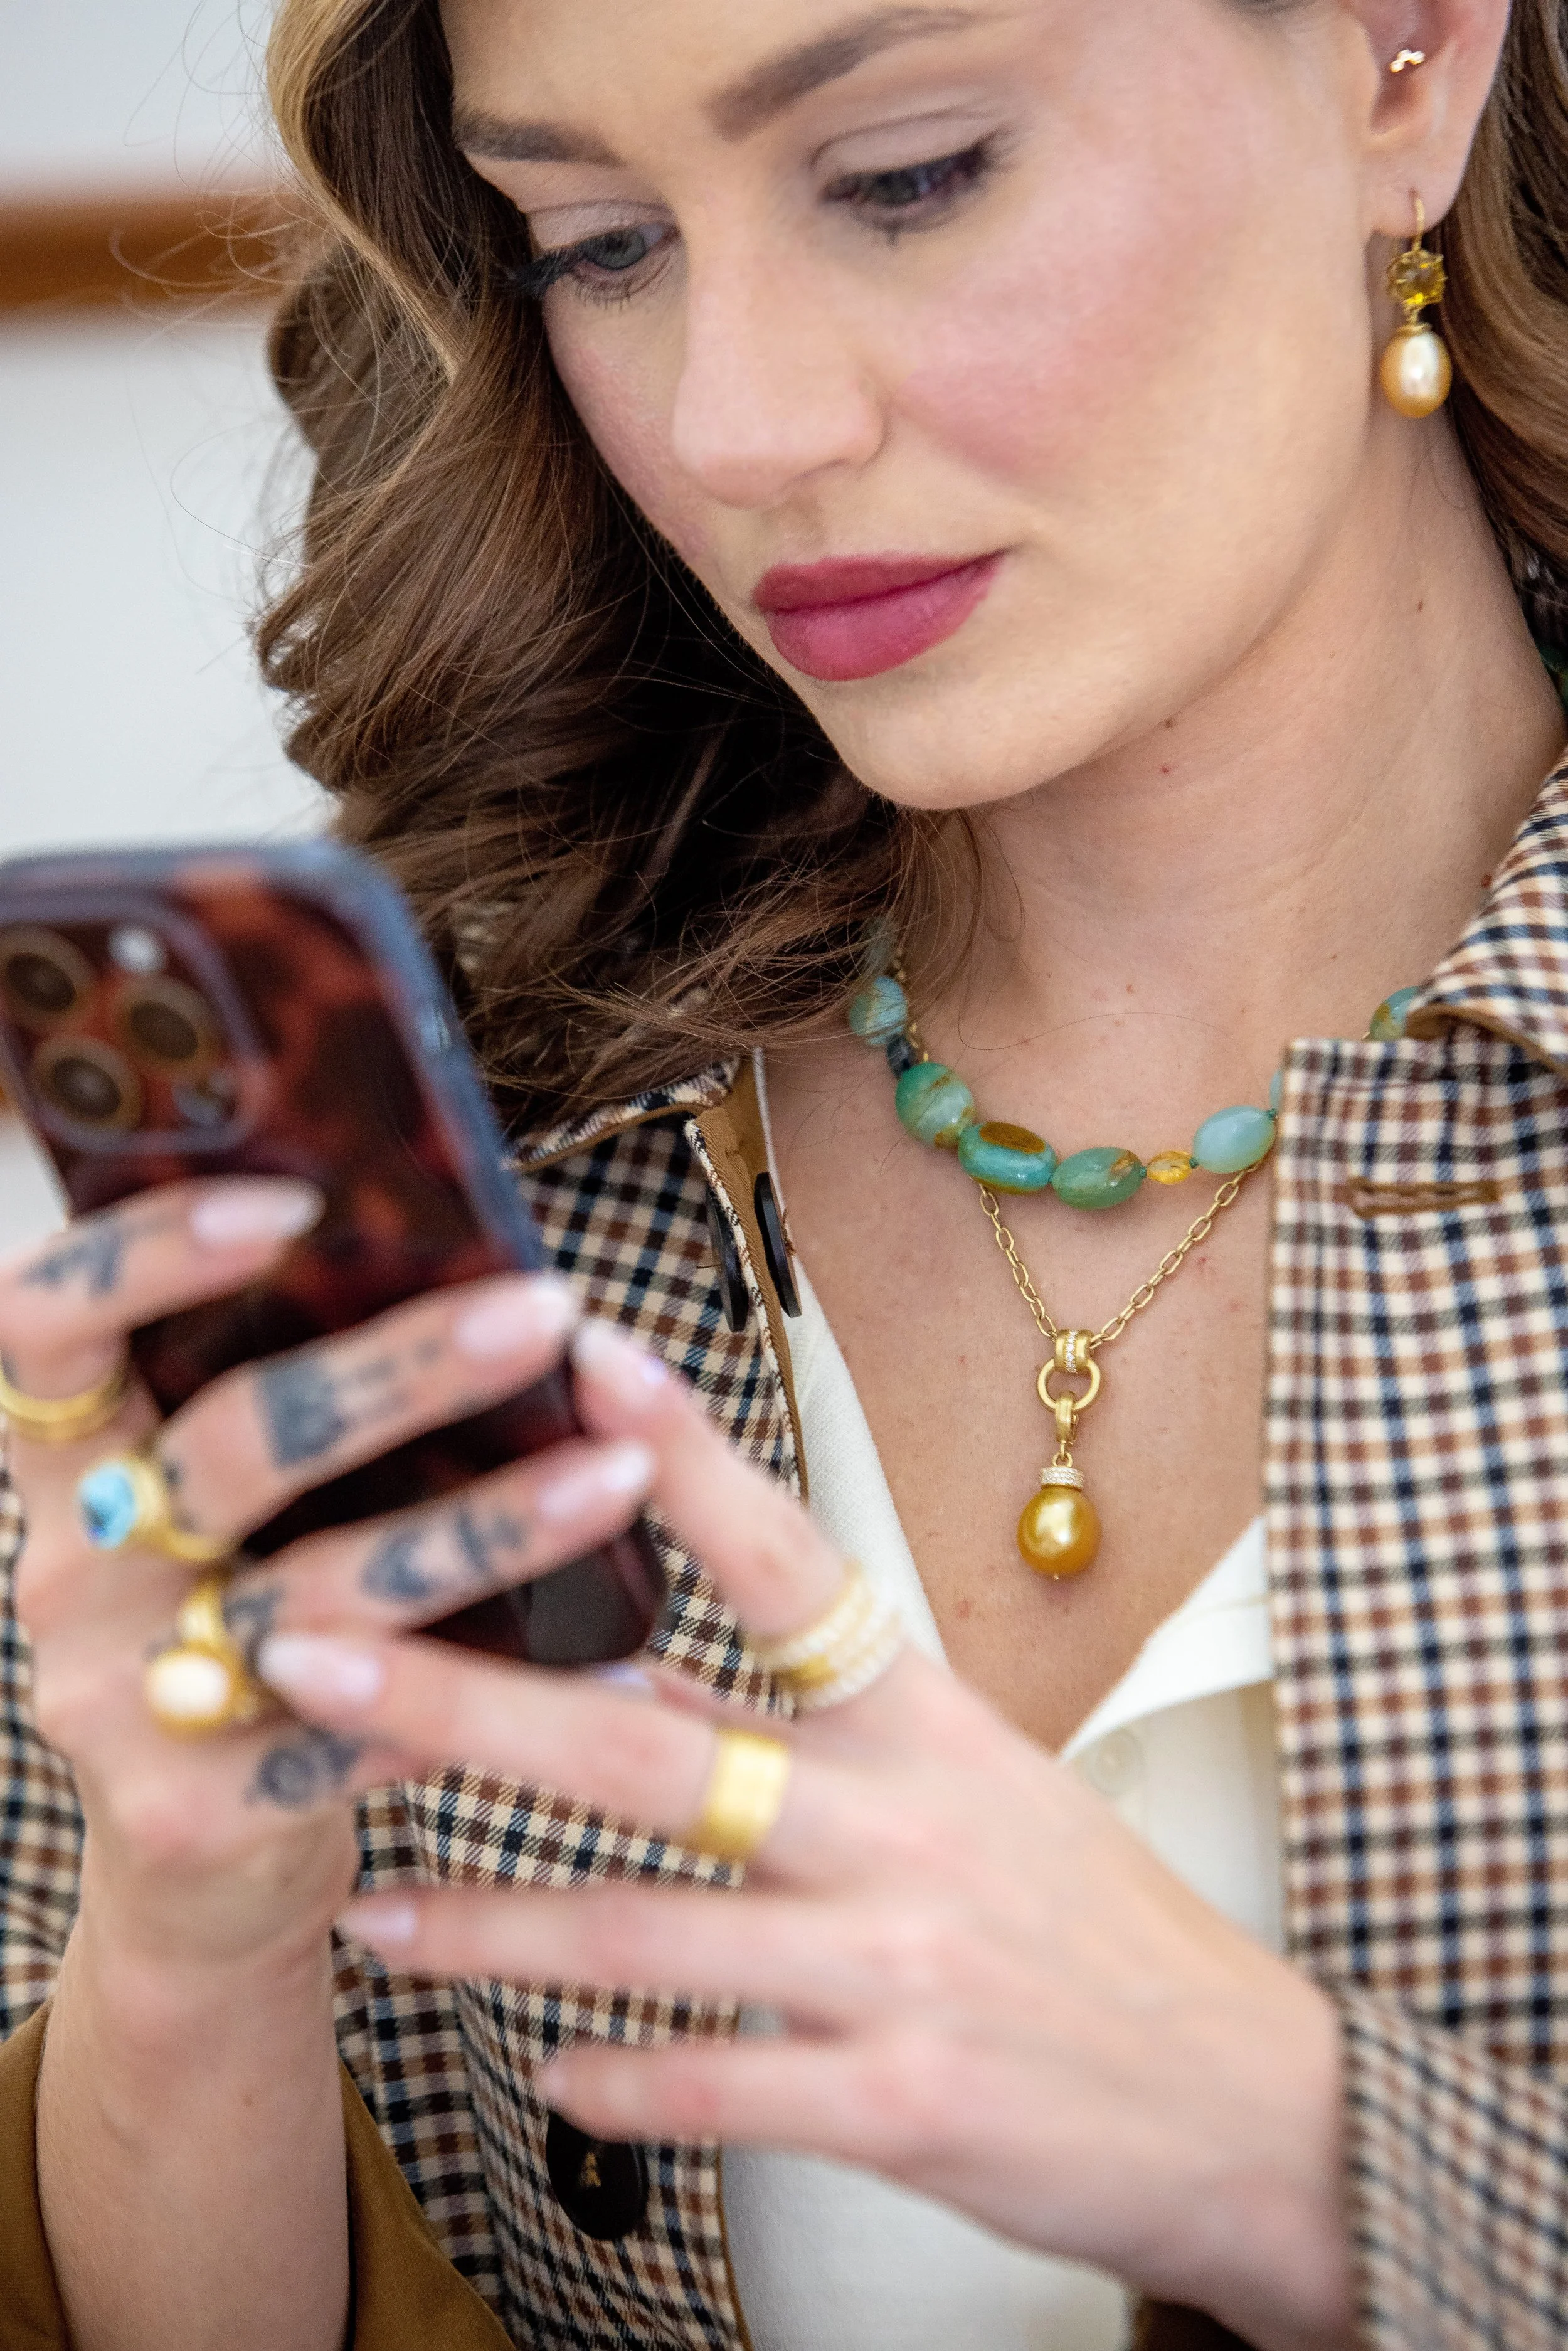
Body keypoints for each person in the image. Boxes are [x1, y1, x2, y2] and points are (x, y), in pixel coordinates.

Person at [3, 0, 1568, 2344]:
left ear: (1404, 59)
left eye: (911, 172)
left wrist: (1313, 2165)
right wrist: (188, 1958)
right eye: (599, 241)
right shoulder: (485, 1188)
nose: (740, 425)